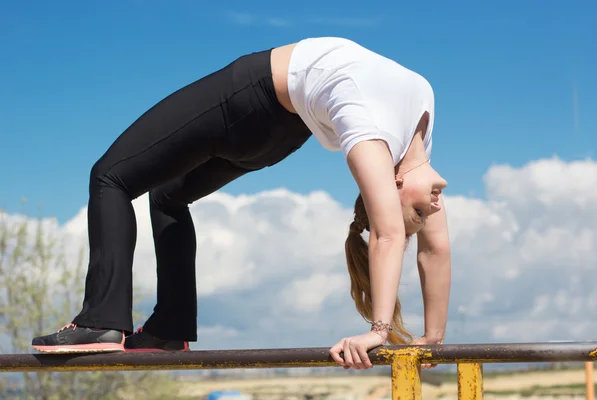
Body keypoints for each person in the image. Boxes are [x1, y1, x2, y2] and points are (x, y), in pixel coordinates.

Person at [32, 37, 450, 371]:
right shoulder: (417, 137)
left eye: (418, 211)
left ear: (391, 183)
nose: (432, 206)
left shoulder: (372, 136)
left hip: (250, 99)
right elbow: (434, 248)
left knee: (110, 176)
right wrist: (433, 335)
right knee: (167, 196)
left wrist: (378, 331)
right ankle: (168, 328)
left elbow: (388, 232)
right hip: (276, 135)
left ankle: (100, 322)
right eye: (421, 213)